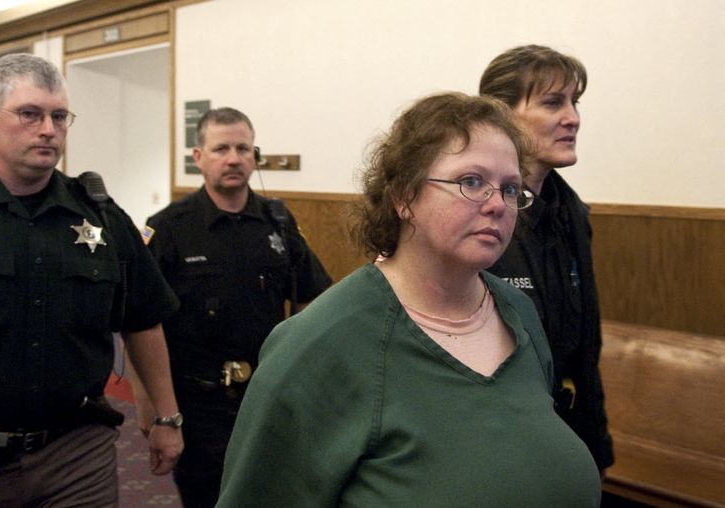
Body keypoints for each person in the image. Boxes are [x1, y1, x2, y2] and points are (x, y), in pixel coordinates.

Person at [217, 92, 601, 506]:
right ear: (403, 195)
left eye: (510, 189)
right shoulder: (319, 341)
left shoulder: (518, 313)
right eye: (471, 182)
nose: (497, 205)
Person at [0, 53, 183, 507]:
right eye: (30, 114)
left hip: (76, 454)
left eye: (59, 116)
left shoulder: (99, 214)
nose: (48, 129)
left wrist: (167, 417)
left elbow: (144, 319)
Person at [135, 107, 332, 507]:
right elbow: (139, 322)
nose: (233, 158)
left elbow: (313, 296)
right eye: (221, 148)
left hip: (266, 397)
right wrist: (154, 412)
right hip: (198, 403)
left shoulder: (276, 221)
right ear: (198, 157)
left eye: (243, 148)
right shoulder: (168, 228)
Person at [480, 44, 614, 471]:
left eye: (575, 102)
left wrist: (596, 445)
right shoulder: (477, 212)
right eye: (553, 102)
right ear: (501, 114)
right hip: (501, 449)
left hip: (568, 436)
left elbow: (583, 343)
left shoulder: (570, 210)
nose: (573, 118)